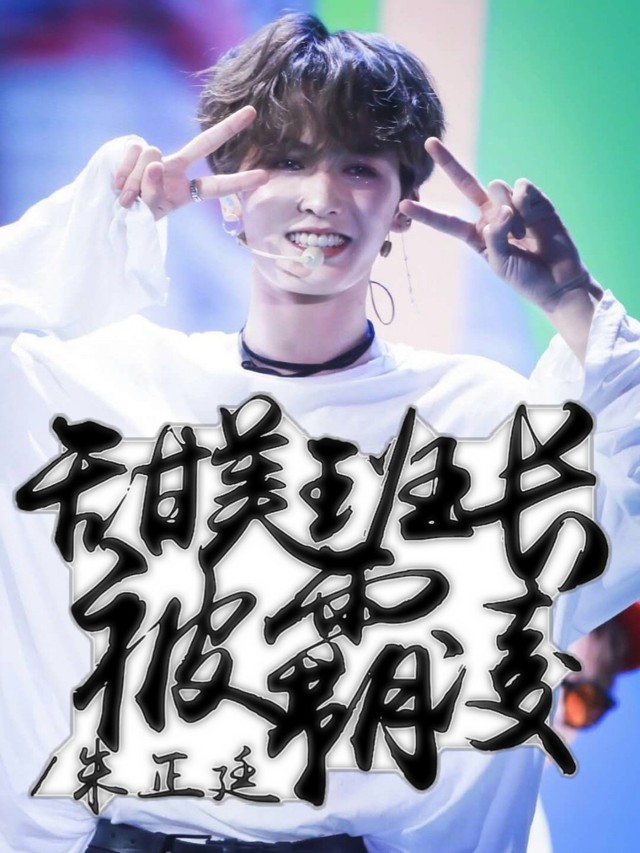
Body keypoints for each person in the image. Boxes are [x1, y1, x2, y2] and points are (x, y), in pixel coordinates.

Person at [1, 12, 639, 853]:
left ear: (403, 207)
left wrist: (573, 301)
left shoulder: (476, 422)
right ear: (228, 195)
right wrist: (102, 221)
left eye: (359, 165)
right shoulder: (119, 390)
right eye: (289, 160)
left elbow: (625, 498)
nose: (322, 195)